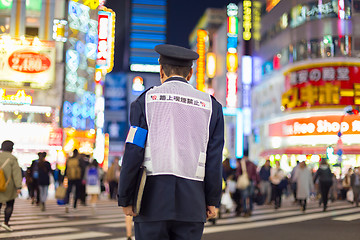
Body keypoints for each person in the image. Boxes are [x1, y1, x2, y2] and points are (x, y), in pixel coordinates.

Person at [118, 44, 224, 240]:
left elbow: (133, 150)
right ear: (190, 73)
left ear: (161, 71)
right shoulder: (212, 107)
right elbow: (214, 158)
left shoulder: (145, 101)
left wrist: (125, 196)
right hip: (193, 202)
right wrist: (212, 199)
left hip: (152, 200)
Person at [0, 140, 22, 232]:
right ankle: (5, 222)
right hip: (8, 186)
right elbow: (16, 174)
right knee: (9, 204)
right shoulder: (12, 158)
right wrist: (18, 186)